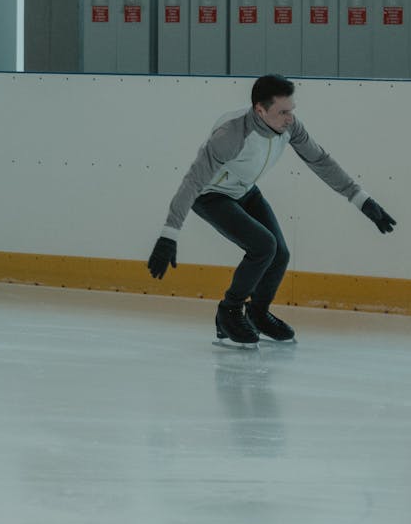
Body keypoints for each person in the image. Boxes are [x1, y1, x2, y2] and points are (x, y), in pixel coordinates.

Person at [147, 74, 396, 346]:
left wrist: (361, 199)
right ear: (260, 110)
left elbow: (320, 161)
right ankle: (229, 312)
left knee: (281, 253)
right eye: (283, 112)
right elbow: (193, 182)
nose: (290, 118)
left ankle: (257, 312)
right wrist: (168, 235)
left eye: (291, 110)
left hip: (245, 190)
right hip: (211, 196)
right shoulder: (230, 135)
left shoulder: (290, 127)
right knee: (264, 246)